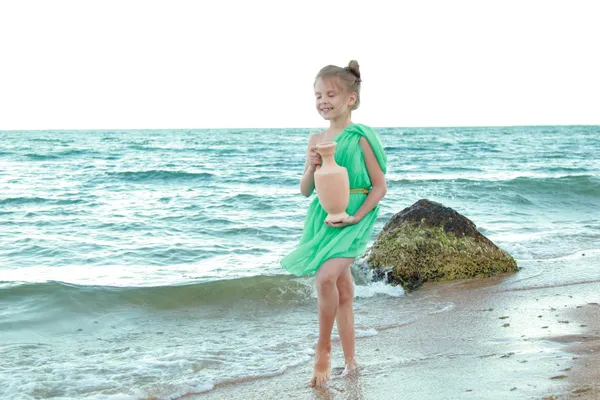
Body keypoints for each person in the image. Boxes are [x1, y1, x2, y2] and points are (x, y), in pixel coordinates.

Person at [280, 60, 387, 387]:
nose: (323, 101)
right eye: (317, 95)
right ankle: (351, 361)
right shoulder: (316, 138)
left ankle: (323, 349)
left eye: (330, 94)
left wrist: (357, 215)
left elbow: (379, 186)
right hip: (322, 216)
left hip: (354, 216)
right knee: (342, 288)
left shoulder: (361, 137)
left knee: (326, 278)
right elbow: (305, 190)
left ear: (350, 99)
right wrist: (311, 166)